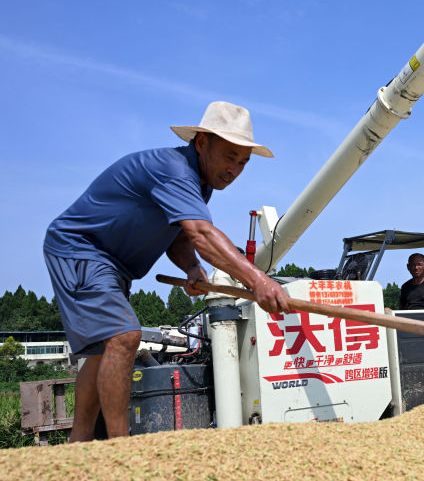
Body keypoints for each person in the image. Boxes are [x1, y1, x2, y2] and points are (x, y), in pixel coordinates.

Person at [43, 101, 289, 442]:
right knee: (124, 337)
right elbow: (200, 233)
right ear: (202, 142)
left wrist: (191, 266)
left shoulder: (200, 183)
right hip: (82, 248)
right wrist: (258, 280)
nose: (234, 169)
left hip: (111, 262)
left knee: (105, 350)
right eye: (229, 156)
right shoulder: (174, 170)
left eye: (243, 162)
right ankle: (119, 447)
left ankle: (79, 440)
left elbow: (179, 236)